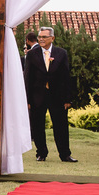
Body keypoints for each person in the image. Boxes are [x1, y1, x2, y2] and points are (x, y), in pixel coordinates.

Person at [23, 26, 77, 163]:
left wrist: (67, 98)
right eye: (39, 37)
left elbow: (66, 76)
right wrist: (27, 99)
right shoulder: (31, 54)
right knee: (37, 126)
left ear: (52, 38)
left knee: (61, 126)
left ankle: (65, 154)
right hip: (37, 96)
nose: (41, 39)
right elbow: (27, 78)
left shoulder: (61, 53)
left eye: (44, 37)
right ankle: (41, 153)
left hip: (57, 96)